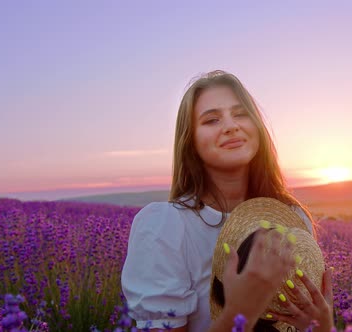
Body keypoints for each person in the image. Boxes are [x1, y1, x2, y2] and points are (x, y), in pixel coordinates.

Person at [121, 70, 334, 332]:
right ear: (190, 142)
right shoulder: (166, 227)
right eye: (211, 120)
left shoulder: (292, 217)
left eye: (241, 113)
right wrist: (239, 313)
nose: (231, 125)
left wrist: (323, 325)